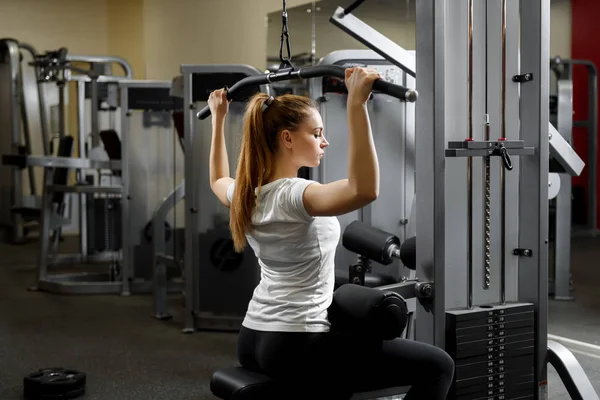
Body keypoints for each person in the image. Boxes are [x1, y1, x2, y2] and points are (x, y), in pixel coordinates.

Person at [207, 67, 454, 400]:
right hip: (296, 342)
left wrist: (218, 120)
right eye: (316, 133)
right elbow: (363, 189)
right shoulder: (296, 195)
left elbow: (217, 179)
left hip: (253, 336)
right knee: (438, 365)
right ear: (288, 138)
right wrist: (356, 104)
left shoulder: (246, 193)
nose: (325, 141)